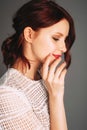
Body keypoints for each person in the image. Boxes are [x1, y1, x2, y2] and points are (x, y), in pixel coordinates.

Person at [0, 0, 75, 130]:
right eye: (56, 38)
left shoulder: (44, 80)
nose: (64, 48)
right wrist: (56, 96)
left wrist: (55, 93)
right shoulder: (7, 95)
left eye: (65, 40)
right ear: (29, 34)